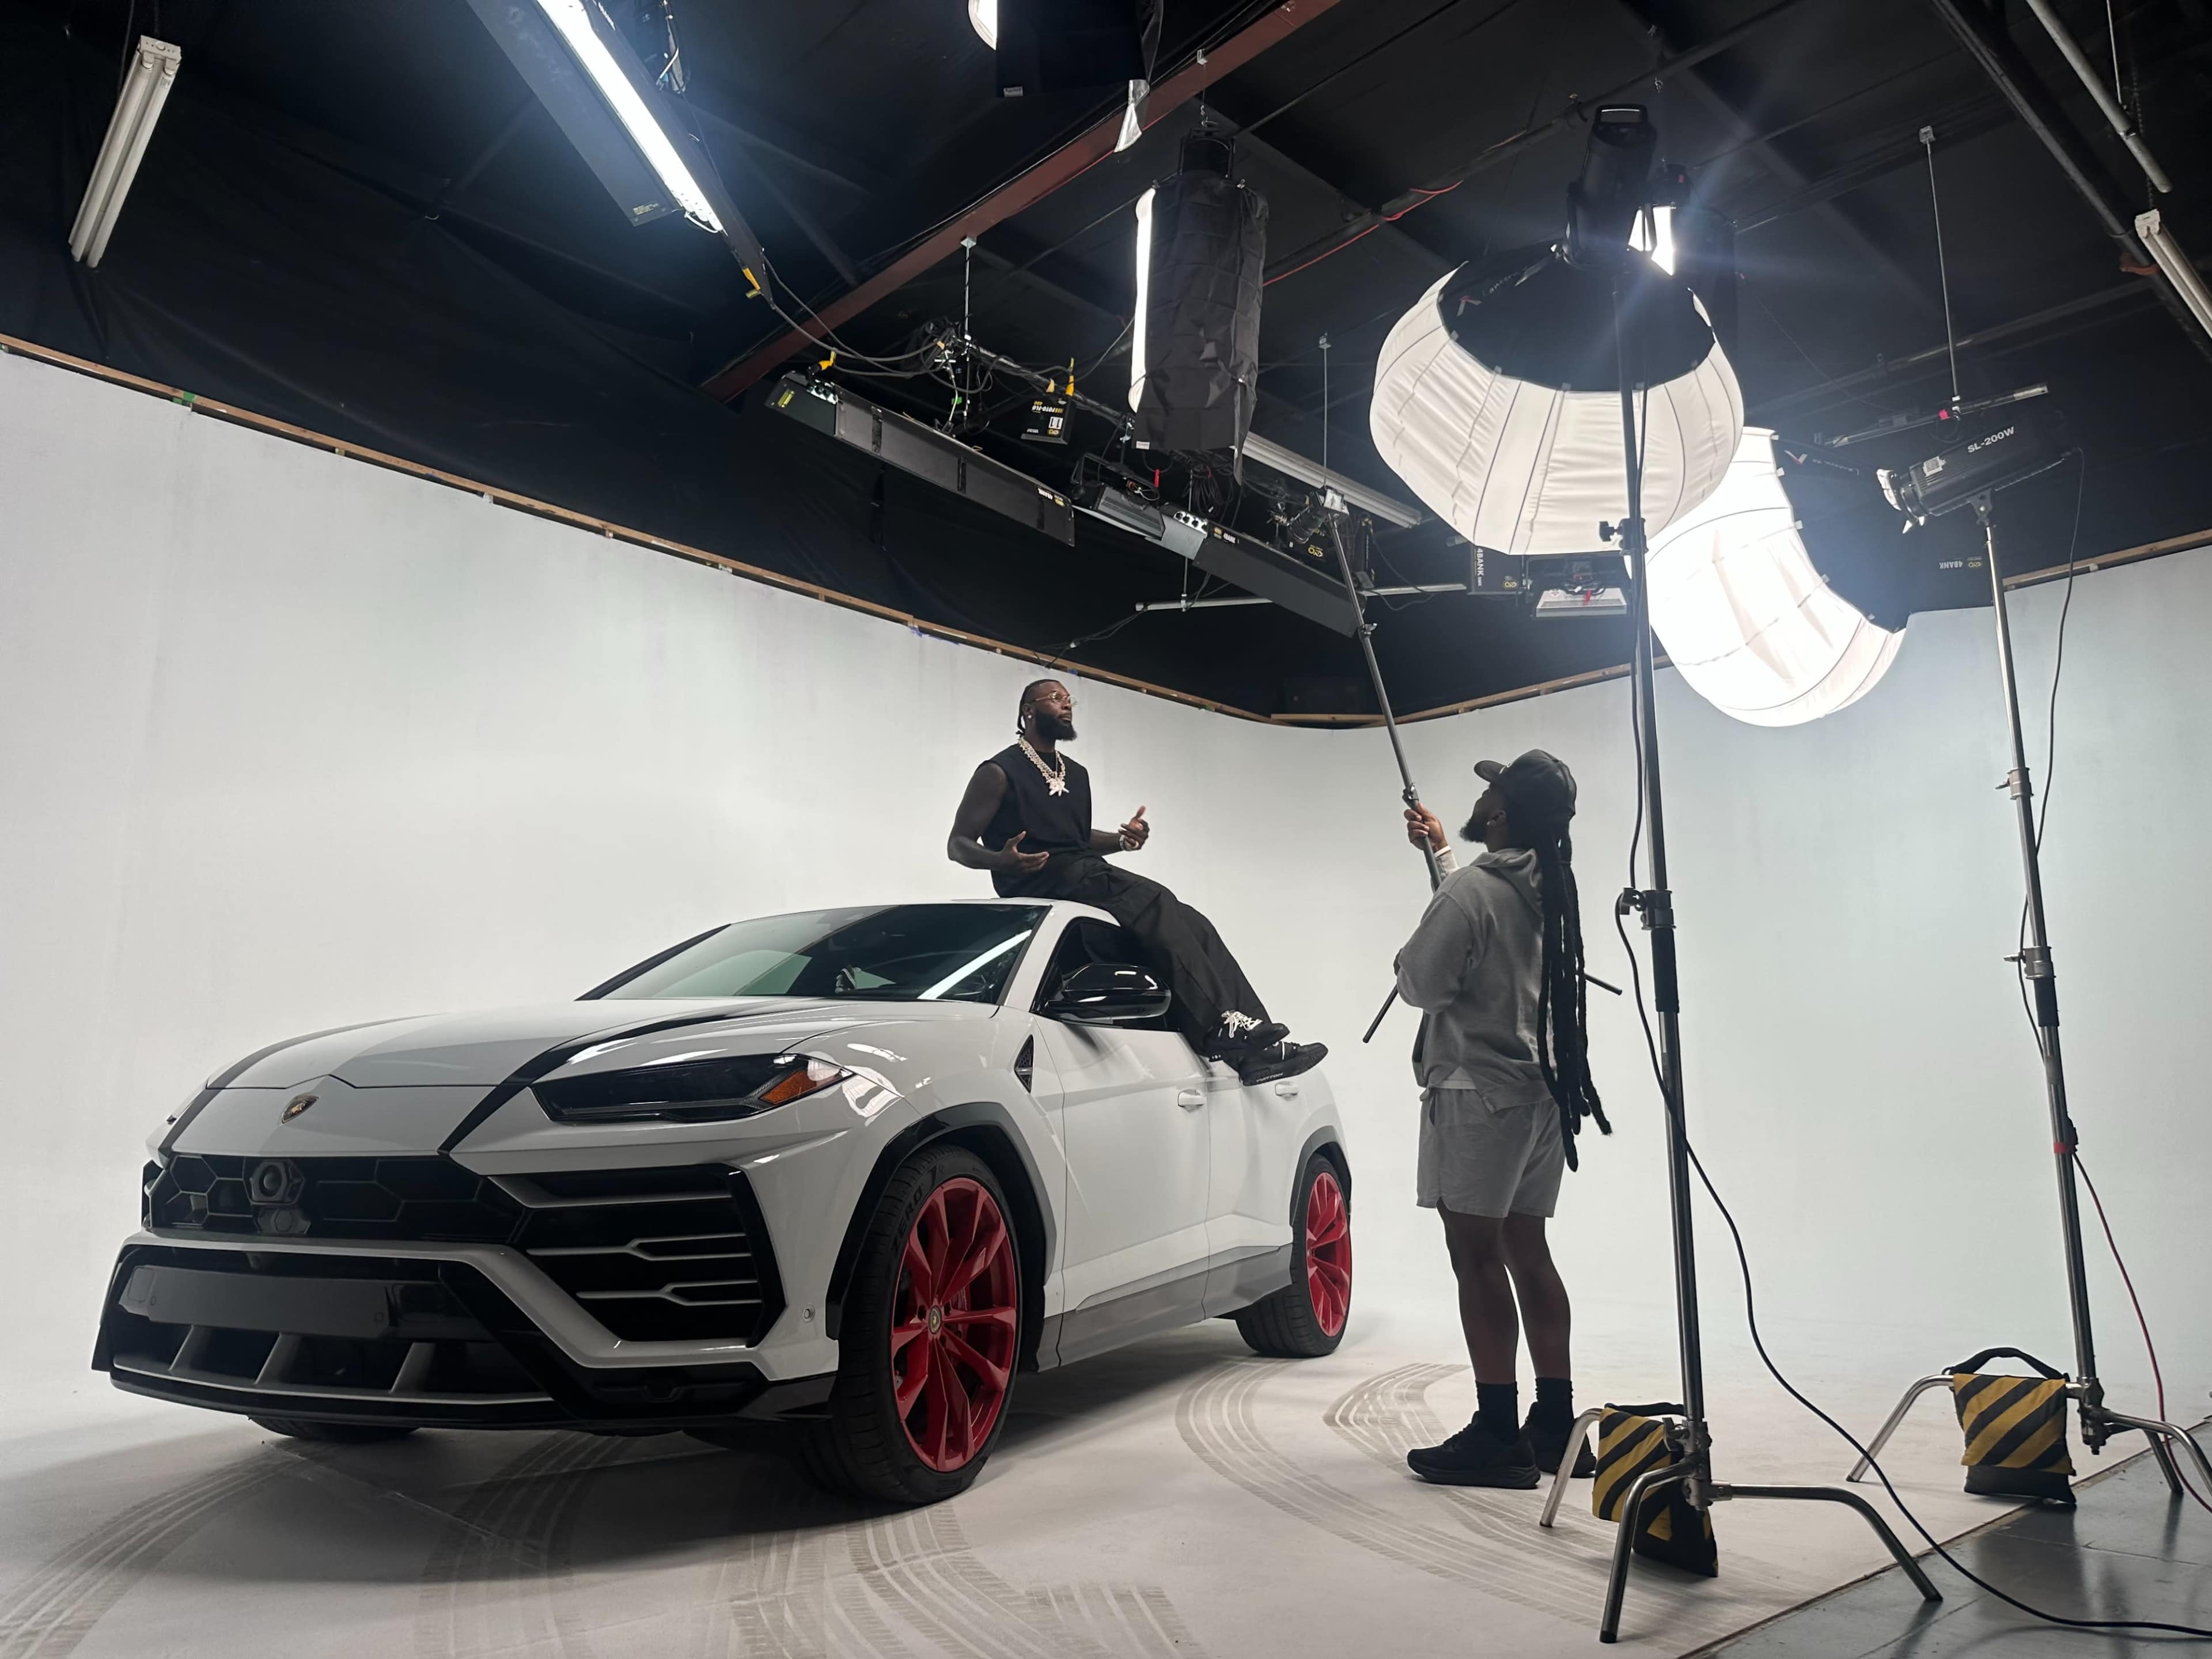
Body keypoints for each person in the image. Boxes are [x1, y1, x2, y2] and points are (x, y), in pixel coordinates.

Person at [1392, 749, 1611, 1488]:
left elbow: (1423, 983)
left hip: (1476, 1094)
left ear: (1504, 815)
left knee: (1475, 1256)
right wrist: (1445, 855)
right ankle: (1554, 1426)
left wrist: (1414, 939)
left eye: (1491, 795)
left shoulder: (1471, 894)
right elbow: (1485, 907)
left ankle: (1495, 1431)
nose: (1480, 800)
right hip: (1539, 1095)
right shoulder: (1553, 883)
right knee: (1528, 1249)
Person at [947, 679, 1325, 1086]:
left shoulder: (1077, 773)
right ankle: (1220, 1024)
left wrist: (1122, 841)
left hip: (1080, 870)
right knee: (1155, 899)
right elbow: (958, 845)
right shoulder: (999, 771)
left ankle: (1256, 1048)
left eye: (1069, 700)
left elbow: (1076, 839)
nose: (1067, 705)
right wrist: (1000, 860)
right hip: (1036, 879)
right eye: (1056, 699)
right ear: (1028, 711)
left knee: (1192, 921)